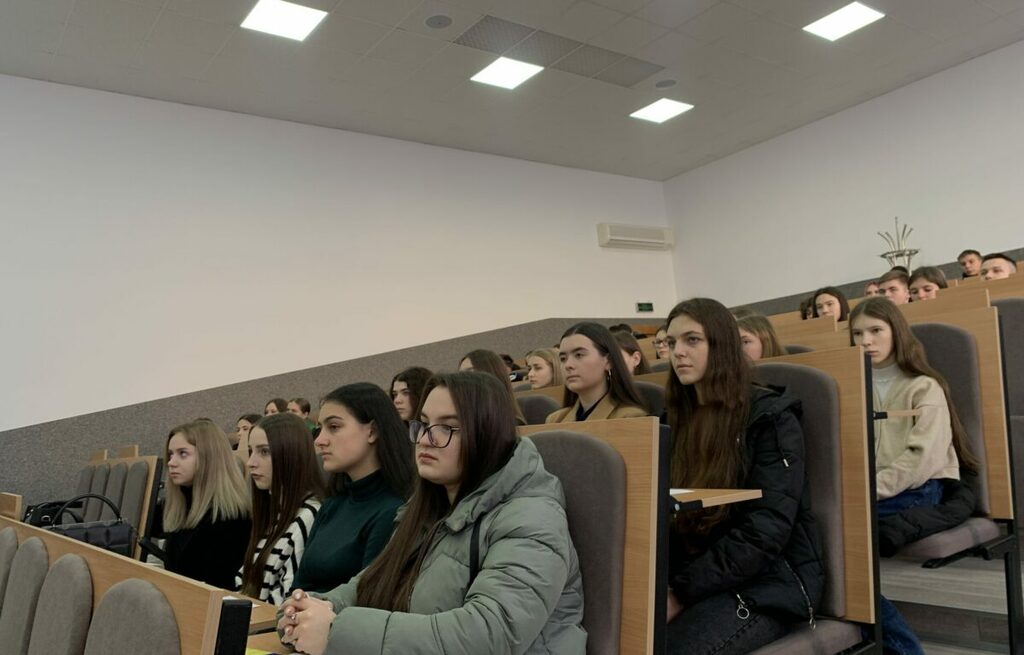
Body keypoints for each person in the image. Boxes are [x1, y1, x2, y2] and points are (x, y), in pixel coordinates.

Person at [277, 372, 586, 655]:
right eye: (423, 425)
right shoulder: (426, 507)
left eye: (446, 428)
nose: (425, 439)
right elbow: (371, 584)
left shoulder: (532, 516)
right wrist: (310, 610)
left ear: (486, 433)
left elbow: (489, 634)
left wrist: (336, 630)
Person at [662, 299, 823, 655]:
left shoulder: (770, 418)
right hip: (694, 576)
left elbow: (766, 530)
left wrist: (681, 591)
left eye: (692, 340)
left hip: (765, 583)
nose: (678, 353)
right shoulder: (672, 420)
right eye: (671, 343)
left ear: (721, 345)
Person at [849, 297, 978, 654]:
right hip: (875, 492)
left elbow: (921, 461)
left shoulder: (922, 386)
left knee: (835, 546)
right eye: (857, 333)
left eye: (876, 330)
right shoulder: (852, 385)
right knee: (834, 558)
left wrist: (866, 491)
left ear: (896, 332)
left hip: (918, 490)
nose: (866, 341)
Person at [289, 383, 415, 595]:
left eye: (334, 427)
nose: (319, 440)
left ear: (372, 431)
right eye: (320, 428)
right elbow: (300, 585)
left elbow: (366, 597)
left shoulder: (393, 511)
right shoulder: (332, 505)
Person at [237, 413, 326, 604]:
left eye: (264, 452)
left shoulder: (308, 516)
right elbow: (245, 582)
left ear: (291, 455)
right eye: (251, 451)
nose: (250, 462)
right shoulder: (274, 511)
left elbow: (290, 600)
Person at [154, 419, 251, 589]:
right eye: (171, 454)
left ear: (209, 458)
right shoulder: (179, 506)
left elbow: (218, 588)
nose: (171, 462)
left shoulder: (232, 520)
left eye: (182, 454)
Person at [546, 322, 647, 423]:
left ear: (609, 361)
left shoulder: (630, 417)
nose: (568, 365)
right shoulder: (555, 420)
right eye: (563, 359)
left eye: (579, 355)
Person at [458, 349, 527, 424]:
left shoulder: (508, 423)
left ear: (491, 376)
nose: (462, 380)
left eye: (470, 373)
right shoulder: (462, 417)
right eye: (461, 375)